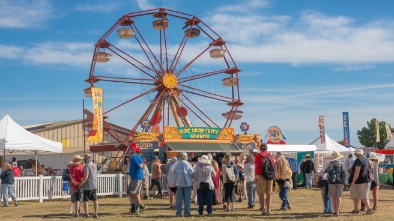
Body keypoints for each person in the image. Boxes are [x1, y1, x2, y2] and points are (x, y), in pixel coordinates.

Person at [349, 149, 373, 215]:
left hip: (359, 181)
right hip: (367, 179)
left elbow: (357, 171)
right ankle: (355, 209)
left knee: (361, 196)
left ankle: (369, 208)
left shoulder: (358, 160)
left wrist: (353, 181)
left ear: (357, 153)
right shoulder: (366, 159)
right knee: (357, 195)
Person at [169, 152, 194, 217]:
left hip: (179, 183)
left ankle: (178, 213)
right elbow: (192, 173)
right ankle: (187, 213)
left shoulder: (176, 164)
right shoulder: (188, 164)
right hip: (187, 183)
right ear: (186, 157)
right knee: (187, 199)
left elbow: (174, 173)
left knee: (179, 199)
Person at [254, 143, 275, 215]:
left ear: (260, 148)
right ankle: (269, 209)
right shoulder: (270, 155)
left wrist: (255, 176)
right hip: (269, 176)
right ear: (267, 148)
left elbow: (256, 167)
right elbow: (273, 166)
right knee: (269, 193)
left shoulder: (258, 155)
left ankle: (263, 208)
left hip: (261, 175)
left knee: (261, 193)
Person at [324, 151, 345, 216]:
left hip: (331, 182)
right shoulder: (341, 163)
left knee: (333, 196)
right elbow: (343, 172)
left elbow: (326, 171)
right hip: (340, 181)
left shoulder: (330, 163)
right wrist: (343, 181)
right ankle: (337, 210)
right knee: (339, 196)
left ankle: (334, 210)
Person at [127, 144, 147, 216]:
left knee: (133, 192)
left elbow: (140, 165)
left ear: (132, 151)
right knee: (135, 193)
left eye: (129, 151)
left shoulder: (133, 157)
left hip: (136, 177)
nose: (128, 152)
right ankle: (135, 208)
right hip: (137, 177)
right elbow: (143, 165)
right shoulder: (138, 156)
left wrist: (140, 166)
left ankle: (140, 206)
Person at [79, 154, 98, 218]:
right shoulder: (94, 165)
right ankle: (95, 213)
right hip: (94, 184)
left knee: (86, 200)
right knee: (95, 199)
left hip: (87, 185)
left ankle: (86, 213)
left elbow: (86, 175)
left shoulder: (87, 165)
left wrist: (82, 182)